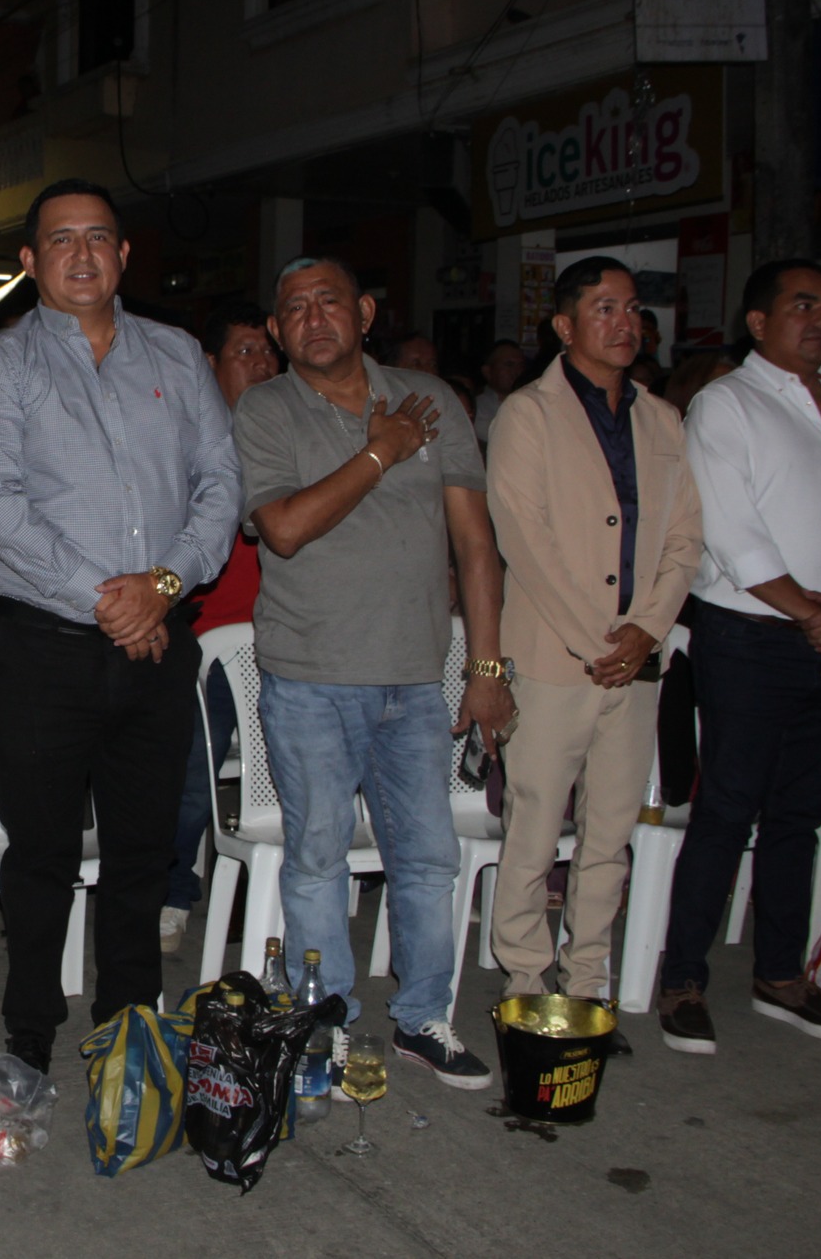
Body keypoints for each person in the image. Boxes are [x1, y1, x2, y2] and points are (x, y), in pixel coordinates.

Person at [0, 178, 240, 1075]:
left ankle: (129, 1029)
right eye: (61, 239)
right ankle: (30, 1037)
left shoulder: (177, 355)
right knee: (39, 858)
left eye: (99, 237)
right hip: (45, 650)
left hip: (158, 647)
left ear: (124, 254)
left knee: (143, 855)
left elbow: (220, 486)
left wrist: (161, 587)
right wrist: (112, 601)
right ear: (30, 260)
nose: (82, 254)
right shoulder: (0, 365)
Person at [235, 254, 508, 1090]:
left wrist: (487, 665)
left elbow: (475, 544)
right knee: (318, 857)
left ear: (365, 313)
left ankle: (425, 1017)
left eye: (330, 301)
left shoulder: (431, 401)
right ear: (276, 330)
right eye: (294, 308)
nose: (313, 317)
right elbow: (284, 528)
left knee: (428, 858)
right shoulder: (266, 407)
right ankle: (325, 1025)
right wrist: (382, 453)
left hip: (415, 677)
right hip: (311, 676)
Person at [657, 259, 821, 1053]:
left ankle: (779, 973)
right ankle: (682, 978)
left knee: (801, 810)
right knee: (728, 805)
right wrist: (819, 616)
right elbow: (733, 531)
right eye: (802, 305)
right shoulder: (726, 404)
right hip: (750, 635)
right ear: (759, 322)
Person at [484, 258, 702, 1048]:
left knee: (611, 833)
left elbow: (685, 539)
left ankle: (586, 987)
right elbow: (524, 537)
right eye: (604, 307)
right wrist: (599, 640)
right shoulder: (528, 414)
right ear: (564, 325)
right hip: (555, 656)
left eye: (633, 308)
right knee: (536, 827)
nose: (624, 322)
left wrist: (646, 630)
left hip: (635, 661)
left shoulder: (662, 419)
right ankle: (525, 983)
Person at [161, 301, 277, 952]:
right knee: (190, 780)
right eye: (245, 353)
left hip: (286, 636)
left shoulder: (288, 434)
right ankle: (174, 891)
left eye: (268, 353)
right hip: (210, 640)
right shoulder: (190, 443)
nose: (262, 365)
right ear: (211, 365)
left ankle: (266, 893)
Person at [475, 339, 526, 445]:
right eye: (509, 365)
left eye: (520, 365)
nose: (517, 371)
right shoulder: (477, 407)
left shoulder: (531, 403)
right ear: (488, 371)